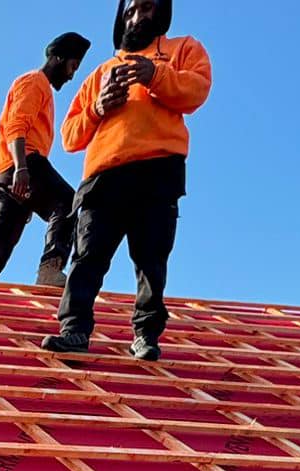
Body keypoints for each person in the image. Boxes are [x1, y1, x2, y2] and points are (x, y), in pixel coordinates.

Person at [43, 0, 211, 361]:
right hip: (104, 175)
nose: (138, 16)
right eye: (132, 9)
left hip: (158, 170)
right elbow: (70, 136)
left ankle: (146, 335)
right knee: (87, 259)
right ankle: (74, 330)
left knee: (151, 261)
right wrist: (98, 108)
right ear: (122, 16)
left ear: (161, 12)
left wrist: (155, 75)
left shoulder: (182, 49)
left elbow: (196, 90)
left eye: (148, 7)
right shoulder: (102, 73)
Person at [0, 33, 92, 288]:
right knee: (68, 203)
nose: (72, 75)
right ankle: (51, 268)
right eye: (72, 66)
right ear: (57, 58)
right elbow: (17, 125)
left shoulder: (39, 87)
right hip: (24, 163)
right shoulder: (35, 82)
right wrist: (22, 168)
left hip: (8, 171)